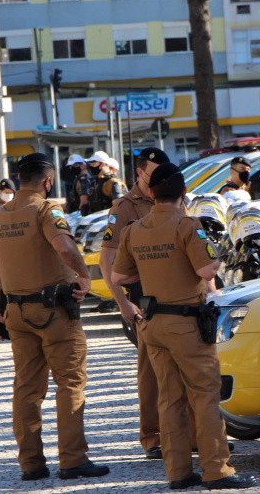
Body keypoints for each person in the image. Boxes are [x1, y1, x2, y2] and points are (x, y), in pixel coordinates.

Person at [111, 163, 256, 490]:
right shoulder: (188, 225)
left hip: (152, 324)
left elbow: (119, 277)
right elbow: (207, 271)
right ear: (184, 194)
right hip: (186, 324)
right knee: (204, 396)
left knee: (169, 398)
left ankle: (178, 472)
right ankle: (217, 470)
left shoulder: (134, 229)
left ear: (151, 193)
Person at [0, 153, 110, 481]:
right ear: (48, 181)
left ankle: (31, 464)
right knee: (70, 383)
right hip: (54, 313)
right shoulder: (46, 209)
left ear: (19, 178)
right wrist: (84, 275)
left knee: (26, 388)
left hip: (16, 313)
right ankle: (73, 459)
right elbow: (64, 247)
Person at [98, 147, 169, 460]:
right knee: (150, 371)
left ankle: (194, 434)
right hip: (145, 300)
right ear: (140, 173)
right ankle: (153, 437)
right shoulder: (124, 207)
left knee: (188, 368)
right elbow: (107, 260)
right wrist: (122, 302)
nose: (160, 178)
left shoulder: (174, 195)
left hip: (179, 295)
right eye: (154, 173)